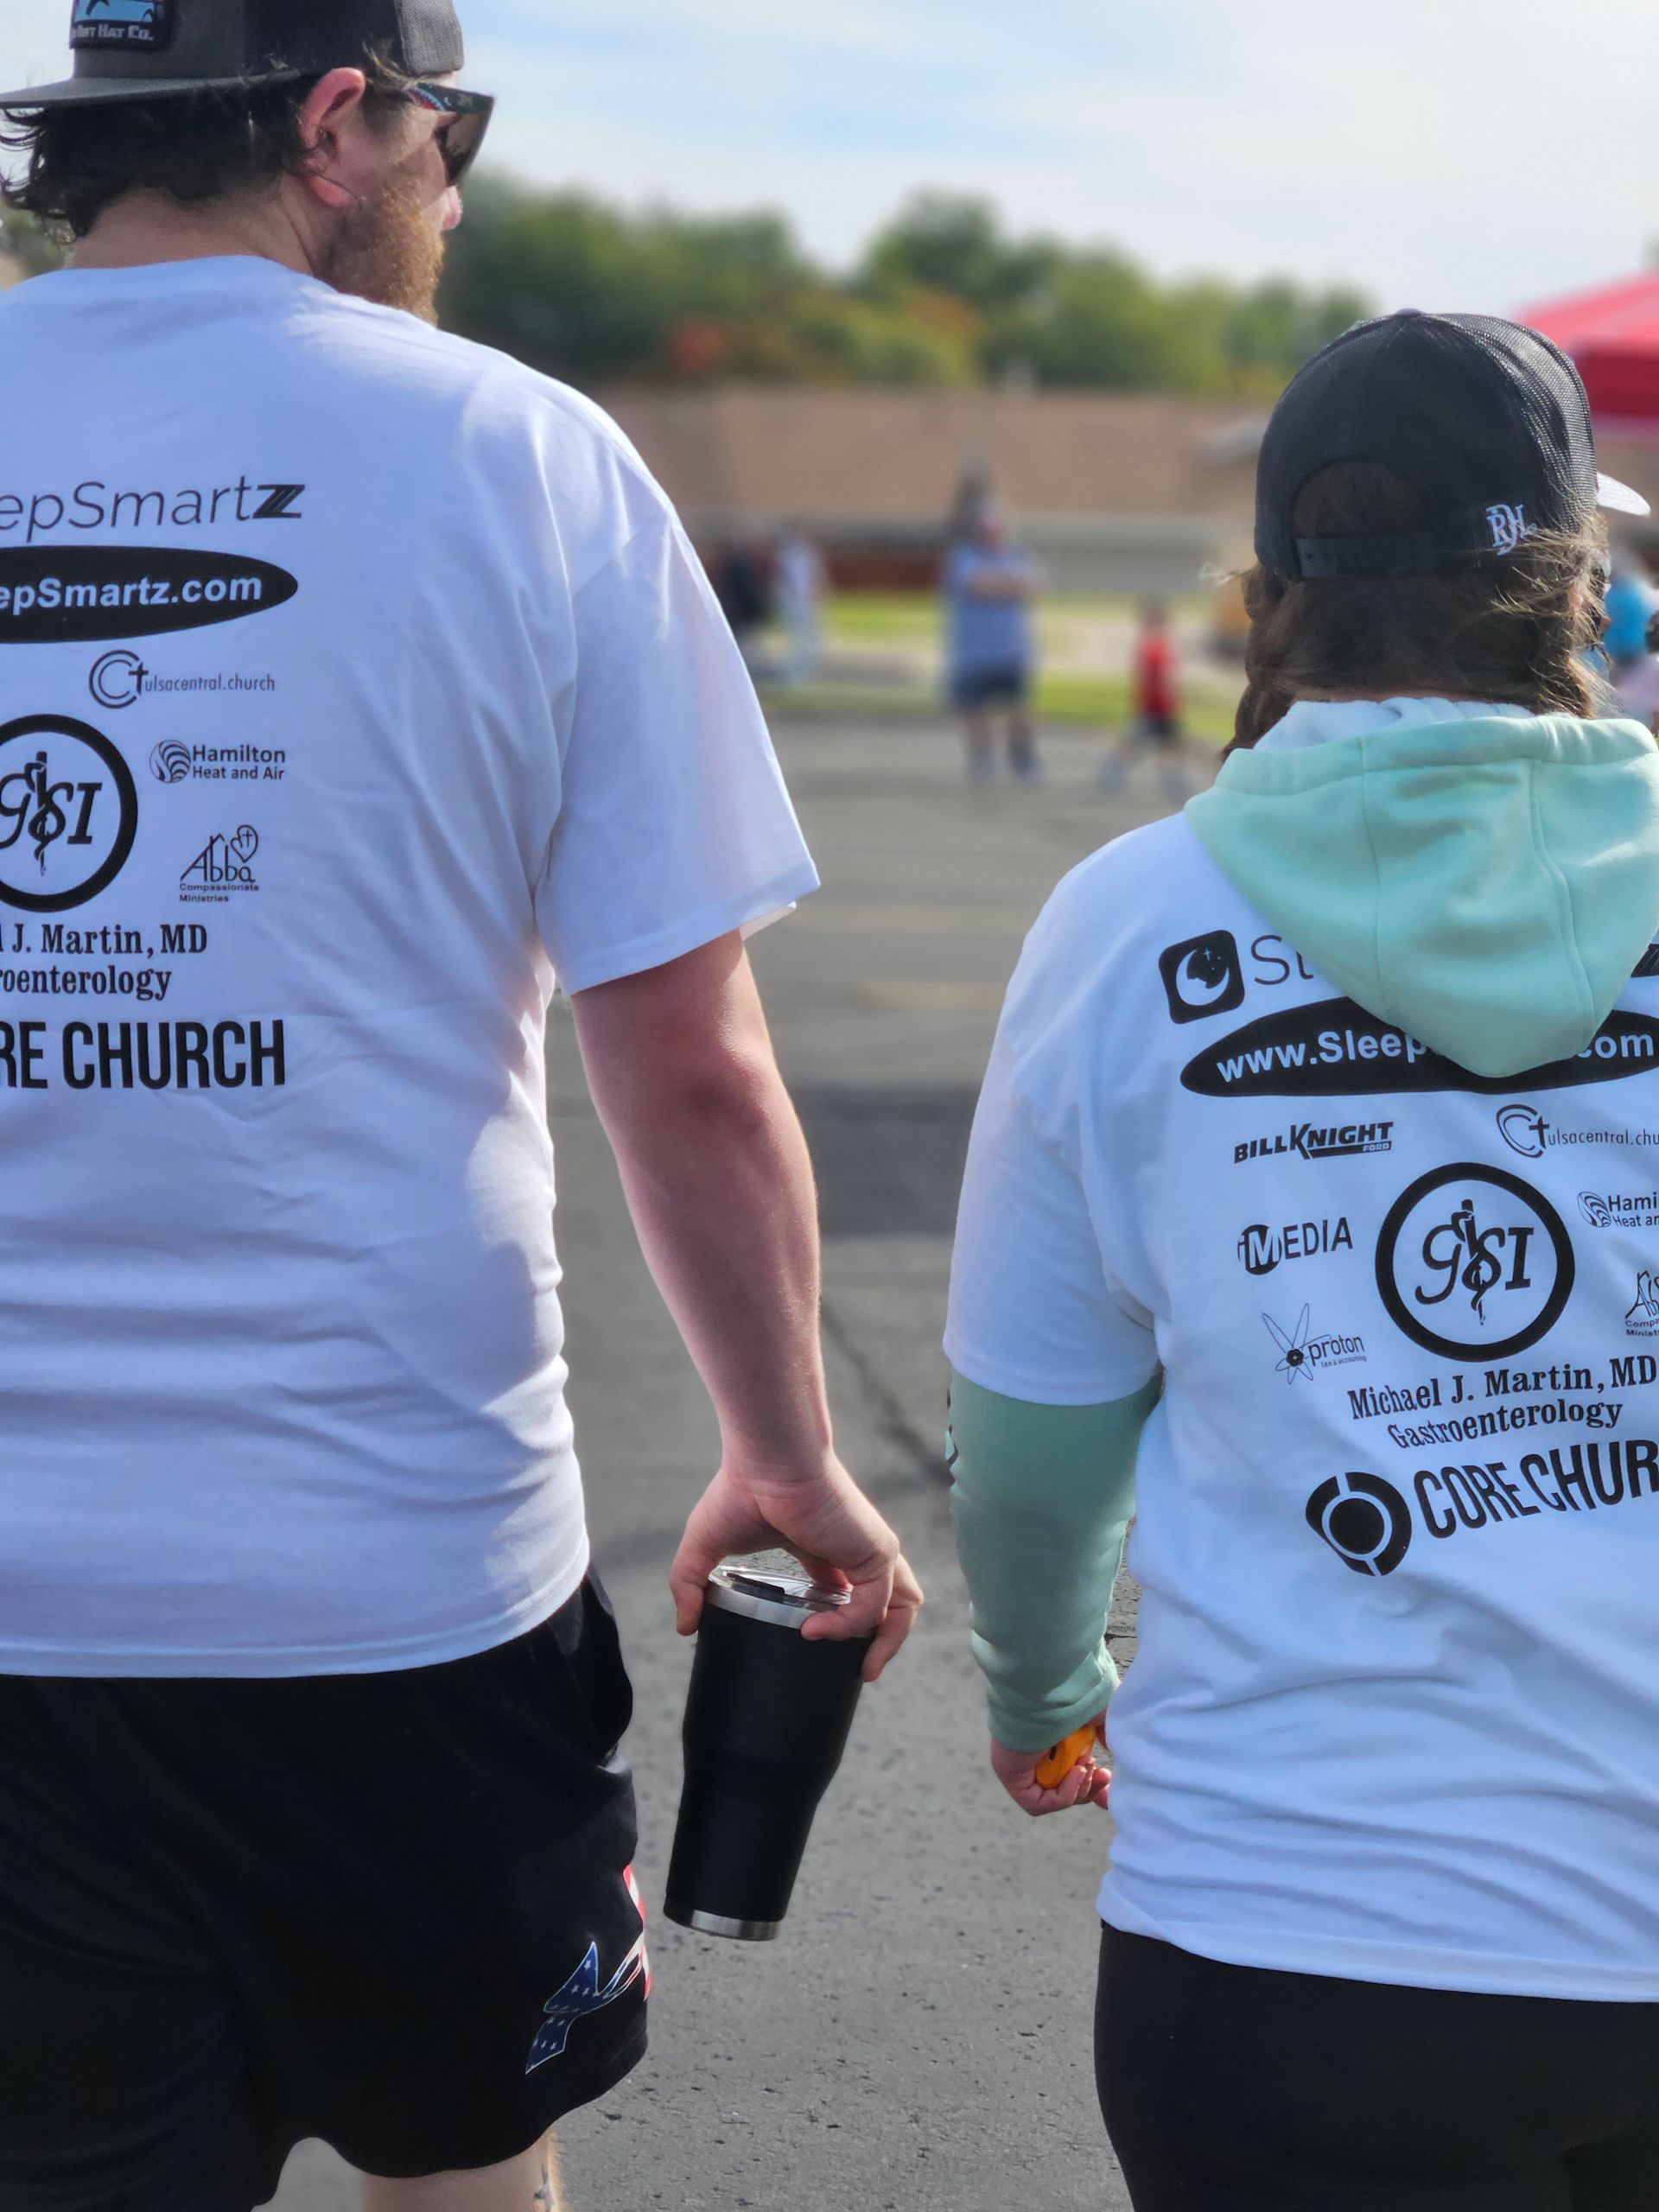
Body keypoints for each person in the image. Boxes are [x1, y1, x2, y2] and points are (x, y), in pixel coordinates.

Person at [0, 8, 922, 2210]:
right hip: (385, 1575)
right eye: (447, 135)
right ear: (339, 127)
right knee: (462, 2163)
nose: (458, 191)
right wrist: (787, 1452)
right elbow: (686, 1057)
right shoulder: (519, 453)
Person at [945, 310, 1659, 2210]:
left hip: (1301, 1934)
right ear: (1581, 587)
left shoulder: (1126, 920)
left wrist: (1040, 1689)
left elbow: (1032, 1432)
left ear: (1271, 594)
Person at [940, 507, 1041, 783]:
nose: (992, 536)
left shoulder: (1016, 555)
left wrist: (1000, 585)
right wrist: (1007, 585)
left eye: (996, 531)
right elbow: (977, 586)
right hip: (975, 652)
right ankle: (982, 759)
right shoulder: (965, 557)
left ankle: (1023, 759)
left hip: (1012, 649)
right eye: (987, 531)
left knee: (1020, 708)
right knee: (976, 710)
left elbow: (1029, 586)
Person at [1098, 596, 1189, 800]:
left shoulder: (1153, 644)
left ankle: (1173, 780)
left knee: (1167, 744)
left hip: (1157, 705)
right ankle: (1114, 771)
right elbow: (1157, 677)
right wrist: (1169, 699)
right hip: (1157, 706)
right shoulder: (1154, 646)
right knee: (1143, 743)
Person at [774, 524, 828, 687]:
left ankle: (809, 669)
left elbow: (818, 578)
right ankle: (795, 671)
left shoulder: (810, 554)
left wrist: (817, 596)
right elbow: (784, 578)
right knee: (795, 638)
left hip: (808, 601)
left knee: (812, 636)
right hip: (793, 602)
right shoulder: (787, 555)